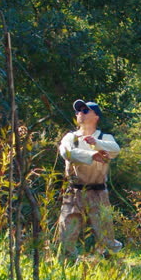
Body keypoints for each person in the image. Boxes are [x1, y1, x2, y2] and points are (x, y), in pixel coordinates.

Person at [54, 99, 123, 260]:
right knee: (66, 234)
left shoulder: (105, 137)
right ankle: (67, 263)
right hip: (74, 192)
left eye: (85, 111)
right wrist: (92, 155)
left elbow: (116, 150)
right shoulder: (70, 137)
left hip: (98, 192)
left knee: (106, 234)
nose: (80, 114)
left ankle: (112, 261)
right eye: (78, 111)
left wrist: (96, 143)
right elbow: (66, 153)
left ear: (96, 116)